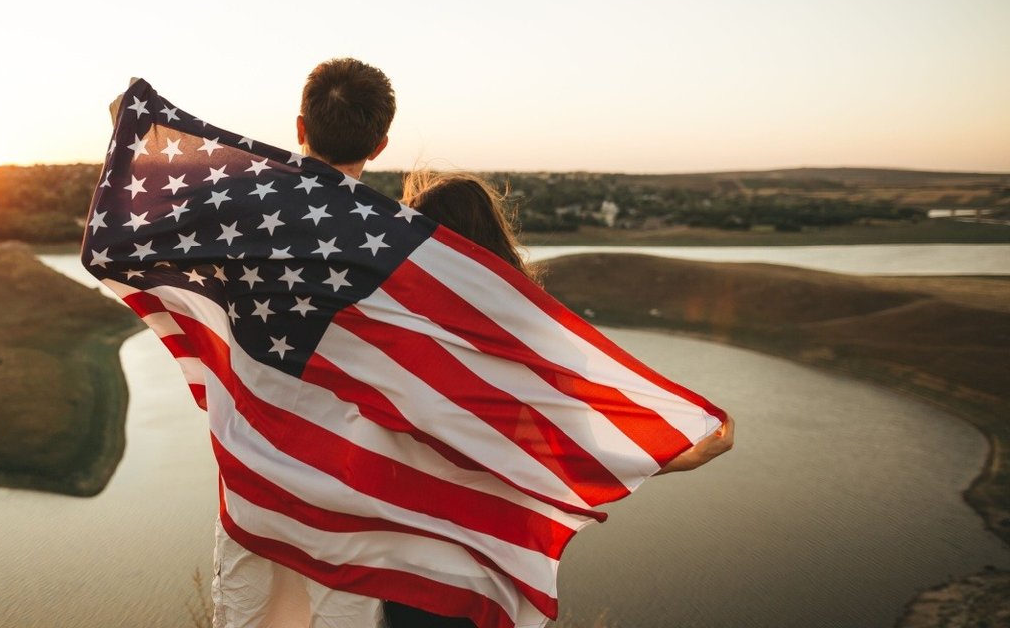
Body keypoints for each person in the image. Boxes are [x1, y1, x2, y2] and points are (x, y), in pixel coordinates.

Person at [385, 170, 736, 628]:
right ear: (494, 236)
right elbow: (572, 451)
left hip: (405, 563)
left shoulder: (391, 332)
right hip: (493, 563)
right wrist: (681, 457)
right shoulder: (539, 339)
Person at [211, 57, 398, 628]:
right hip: (350, 490)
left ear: (299, 128)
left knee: (248, 616)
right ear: (382, 143)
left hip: (252, 478)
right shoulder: (401, 243)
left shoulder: (237, 216)